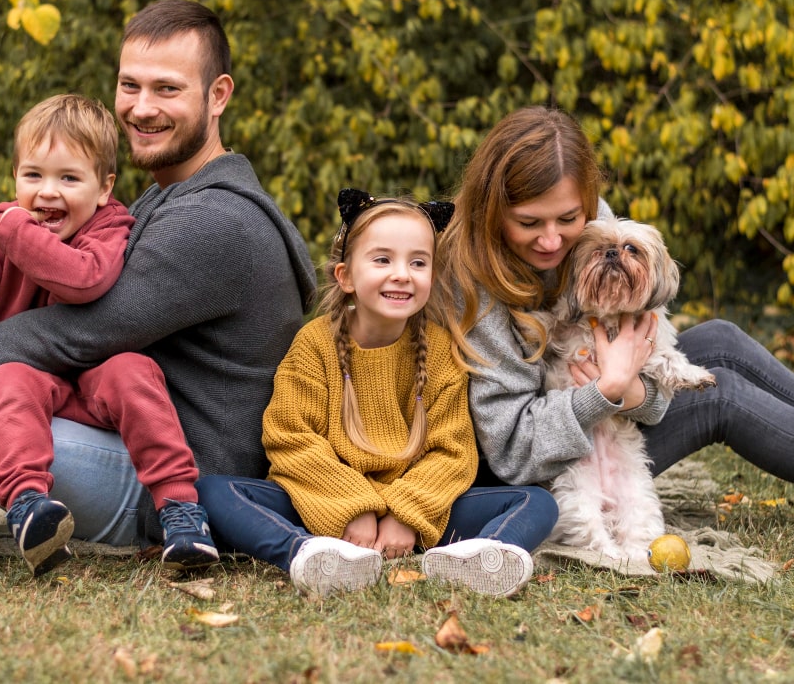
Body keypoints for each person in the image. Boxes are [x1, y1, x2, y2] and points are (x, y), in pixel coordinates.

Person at [0, 0, 316, 574]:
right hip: (127, 436)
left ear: (218, 96)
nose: (142, 108)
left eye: (167, 89)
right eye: (129, 85)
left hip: (172, 483)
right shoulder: (170, 198)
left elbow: (71, 334)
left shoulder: (215, 220)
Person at [197, 189, 558, 598]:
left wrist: (404, 515)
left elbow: (453, 451)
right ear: (345, 276)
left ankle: (478, 559)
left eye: (418, 262)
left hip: (420, 513)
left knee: (537, 503)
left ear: (432, 277)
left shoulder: (439, 351)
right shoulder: (315, 345)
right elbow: (290, 438)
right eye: (383, 259)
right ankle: (309, 554)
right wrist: (355, 508)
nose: (402, 274)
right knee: (214, 491)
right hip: (323, 510)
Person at [0, 93, 217, 576]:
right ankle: (28, 508)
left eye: (68, 178)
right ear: (15, 177)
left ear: (104, 188)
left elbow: (86, 280)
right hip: (31, 380)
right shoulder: (3, 228)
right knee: (7, 379)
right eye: (33, 175)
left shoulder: (110, 226)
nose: (47, 193)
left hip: (90, 380)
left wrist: (19, 233)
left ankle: (180, 511)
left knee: (134, 370)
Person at [435, 104, 794, 489]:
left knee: (721, 339)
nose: (552, 239)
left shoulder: (595, 226)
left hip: (606, 402)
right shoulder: (472, 287)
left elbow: (648, 371)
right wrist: (608, 389)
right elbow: (512, 453)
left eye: (569, 219)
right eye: (529, 223)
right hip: (550, 463)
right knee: (722, 396)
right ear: (492, 210)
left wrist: (632, 389)